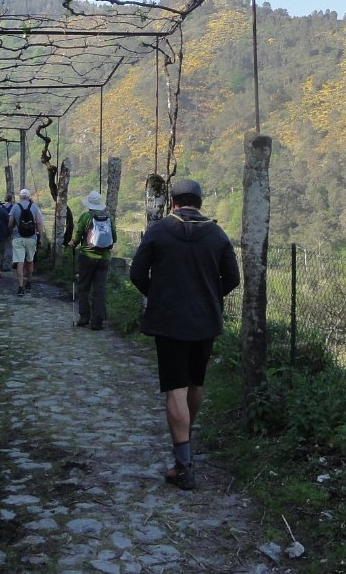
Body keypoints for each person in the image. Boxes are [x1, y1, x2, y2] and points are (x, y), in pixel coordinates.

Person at [129, 178, 239, 491]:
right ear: (200, 202)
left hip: (169, 323)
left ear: (173, 202)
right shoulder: (217, 234)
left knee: (175, 389)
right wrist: (210, 298)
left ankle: (183, 465)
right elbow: (232, 278)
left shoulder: (159, 231)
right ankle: (186, 442)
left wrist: (158, 296)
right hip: (205, 322)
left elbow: (137, 273)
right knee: (195, 383)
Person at [68, 190, 114, 330]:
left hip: (87, 257)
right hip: (104, 258)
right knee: (100, 290)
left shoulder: (86, 217)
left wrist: (72, 244)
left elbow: (78, 235)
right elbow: (114, 238)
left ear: (89, 204)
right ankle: (97, 321)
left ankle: (84, 317)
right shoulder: (108, 218)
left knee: (83, 287)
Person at [8, 188, 46, 295]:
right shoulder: (34, 207)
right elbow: (39, 223)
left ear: (20, 196)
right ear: (29, 197)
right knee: (30, 261)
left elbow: (10, 224)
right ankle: (29, 282)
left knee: (20, 262)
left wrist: (11, 231)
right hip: (32, 238)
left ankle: (20, 287)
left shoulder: (15, 207)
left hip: (18, 237)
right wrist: (41, 237)